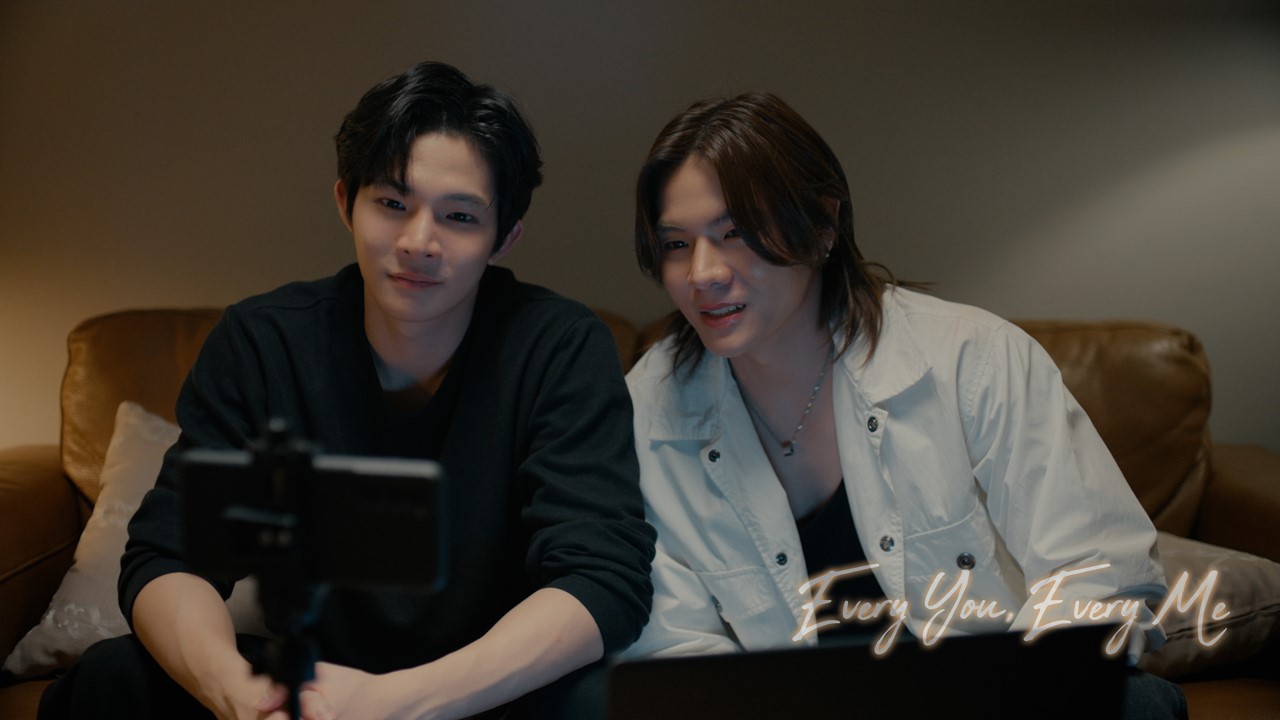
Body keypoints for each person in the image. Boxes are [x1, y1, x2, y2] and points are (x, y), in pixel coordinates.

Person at [39, 61, 655, 720]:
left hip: (484, 690)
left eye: (459, 216)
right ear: (345, 203)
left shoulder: (559, 346)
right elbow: (172, 554)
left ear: (503, 237)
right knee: (112, 678)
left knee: (609, 703)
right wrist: (237, 694)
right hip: (311, 691)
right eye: (392, 204)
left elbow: (601, 576)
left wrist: (399, 703)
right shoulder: (266, 342)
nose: (419, 242)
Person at [621, 92, 1186, 717]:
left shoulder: (973, 358)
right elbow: (673, 645)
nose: (702, 273)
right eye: (676, 245)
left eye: (736, 233)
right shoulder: (648, 407)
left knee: (1138, 704)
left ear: (823, 224)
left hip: (1000, 704)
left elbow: (1096, 576)